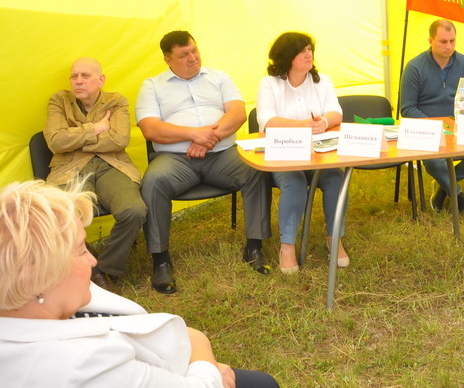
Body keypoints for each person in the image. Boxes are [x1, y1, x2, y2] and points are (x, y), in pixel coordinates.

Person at [0, 178, 280, 388]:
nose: (93, 261)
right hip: (183, 368)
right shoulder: (78, 364)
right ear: (37, 275)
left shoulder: (42, 298)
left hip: (167, 361)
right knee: (263, 384)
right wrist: (201, 351)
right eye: (81, 249)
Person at [136, 31, 272, 294]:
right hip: (175, 160)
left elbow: (237, 113)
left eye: (194, 50)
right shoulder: (152, 86)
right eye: (183, 55)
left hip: (222, 155)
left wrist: (207, 139)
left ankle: (254, 247)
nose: (193, 58)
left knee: (255, 169)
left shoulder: (218, 77)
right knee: (153, 181)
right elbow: (150, 129)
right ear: (167, 60)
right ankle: (161, 260)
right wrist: (193, 134)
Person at [43, 57, 147, 294]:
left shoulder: (116, 101)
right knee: (62, 216)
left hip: (112, 164)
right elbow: (55, 141)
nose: (78, 81)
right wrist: (95, 128)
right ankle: (95, 275)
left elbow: (119, 140)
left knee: (134, 210)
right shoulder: (59, 101)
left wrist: (75, 139)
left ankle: (104, 269)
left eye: (85, 76)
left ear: (101, 80)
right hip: (70, 168)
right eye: (74, 76)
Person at [256, 32, 348, 272]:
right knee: (295, 183)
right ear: (287, 56)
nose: (309, 54)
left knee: (336, 179)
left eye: (310, 49)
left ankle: (334, 238)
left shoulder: (322, 81)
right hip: (284, 156)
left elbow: (336, 112)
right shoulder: (269, 83)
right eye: (302, 50)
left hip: (318, 156)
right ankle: (287, 246)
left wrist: (323, 122)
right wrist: (302, 126)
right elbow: (266, 120)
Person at [399, 19, 464, 216]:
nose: (449, 46)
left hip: (459, 128)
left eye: (452, 41)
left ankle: (443, 187)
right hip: (429, 132)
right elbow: (407, 108)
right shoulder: (415, 67)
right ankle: (458, 195)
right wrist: (439, 126)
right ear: (430, 41)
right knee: (435, 161)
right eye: (443, 41)